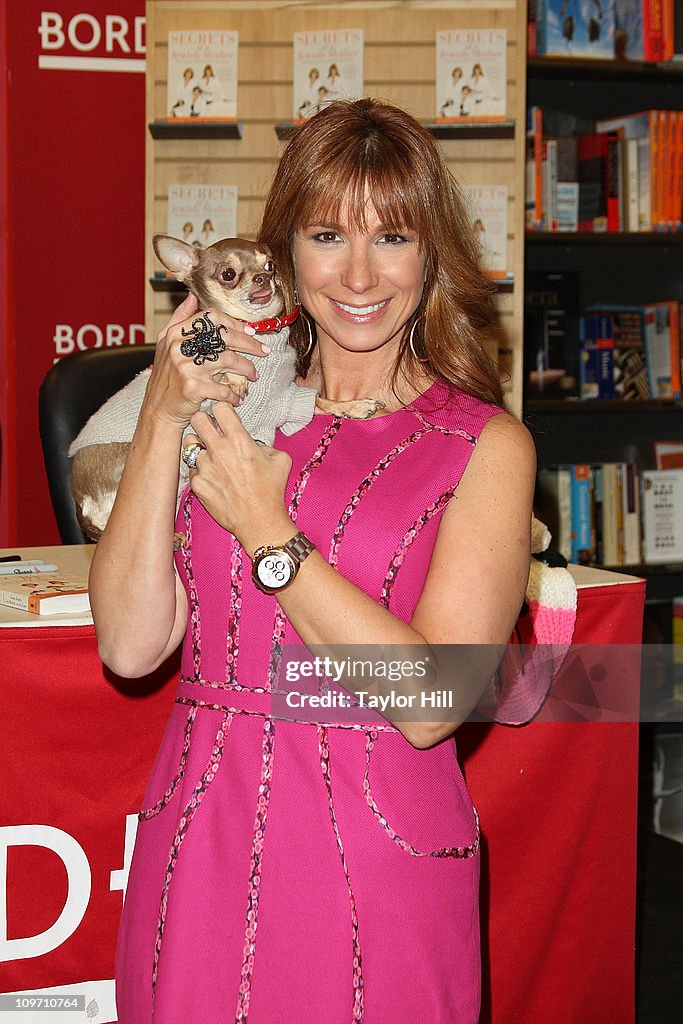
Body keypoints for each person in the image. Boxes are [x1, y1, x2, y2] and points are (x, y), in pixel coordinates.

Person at [92, 98, 535, 1022]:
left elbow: (432, 705)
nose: (359, 274)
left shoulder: (481, 445)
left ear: (432, 255)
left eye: (393, 237)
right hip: (199, 840)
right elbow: (131, 647)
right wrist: (162, 419)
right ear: (284, 251)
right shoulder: (226, 407)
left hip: (378, 854)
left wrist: (269, 533)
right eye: (328, 235)